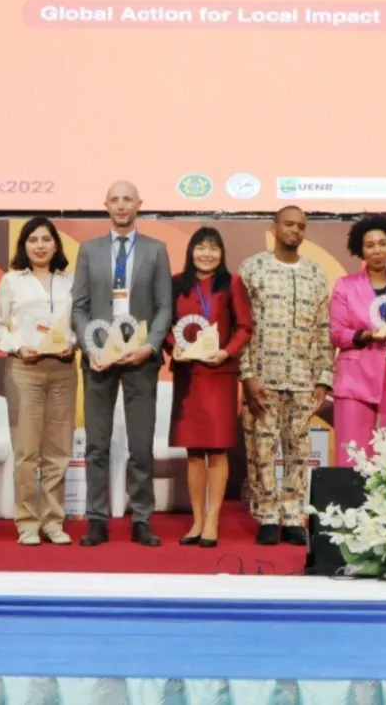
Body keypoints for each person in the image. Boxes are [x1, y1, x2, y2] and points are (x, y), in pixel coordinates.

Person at [71, 180, 173, 547]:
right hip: (99, 358)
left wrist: (149, 346)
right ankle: (96, 518)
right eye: (114, 199)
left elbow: (164, 306)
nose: (121, 204)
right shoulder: (89, 250)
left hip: (141, 360)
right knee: (96, 444)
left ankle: (142, 518)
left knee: (141, 444)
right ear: (106, 205)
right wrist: (89, 346)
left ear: (139, 204)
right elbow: (79, 306)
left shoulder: (156, 250)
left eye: (127, 198)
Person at [238, 206, 333, 546]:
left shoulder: (315, 273)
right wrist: (247, 374)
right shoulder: (253, 269)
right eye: (289, 224)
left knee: (297, 450)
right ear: (274, 227)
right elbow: (241, 326)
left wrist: (323, 378)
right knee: (261, 450)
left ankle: (293, 515)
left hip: (304, 379)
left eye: (301, 226)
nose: (295, 231)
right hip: (263, 378)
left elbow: (323, 330)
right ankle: (266, 515)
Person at [166, 227, 253, 547]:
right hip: (189, 375)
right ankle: (196, 521)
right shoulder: (176, 283)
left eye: (213, 248)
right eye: (200, 247)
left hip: (220, 374)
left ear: (222, 253)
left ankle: (213, 519)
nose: (207, 254)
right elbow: (165, 324)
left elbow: (245, 327)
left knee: (217, 449)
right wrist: (172, 345)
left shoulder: (232, 284)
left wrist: (226, 352)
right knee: (193, 451)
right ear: (190, 251)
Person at [0, 216, 77, 547]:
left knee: (59, 451)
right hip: (24, 369)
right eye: (33, 240)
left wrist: (74, 342)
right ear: (24, 246)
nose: (40, 245)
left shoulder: (71, 281)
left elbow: (81, 322)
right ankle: (27, 522)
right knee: (27, 451)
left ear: (56, 244)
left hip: (64, 370)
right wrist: (18, 346)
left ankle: (54, 521)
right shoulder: (12, 280)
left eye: (45, 239)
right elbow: (0, 325)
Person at [330, 215, 386, 460]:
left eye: (382, 243)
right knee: (352, 447)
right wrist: (365, 335)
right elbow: (337, 333)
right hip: (355, 376)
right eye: (369, 245)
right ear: (360, 250)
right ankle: (350, 498)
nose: (377, 250)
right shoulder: (345, 286)